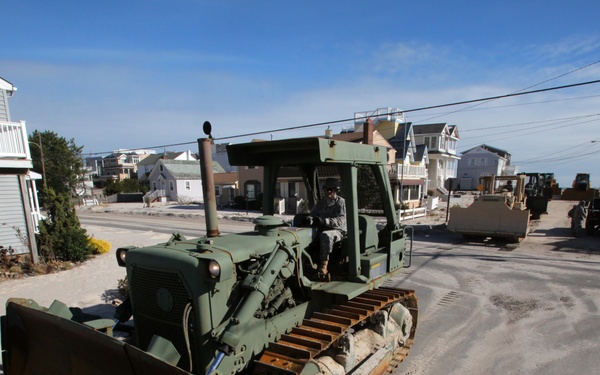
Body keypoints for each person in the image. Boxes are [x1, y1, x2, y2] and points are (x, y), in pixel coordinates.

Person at [310, 178, 346, 279]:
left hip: (339, 230)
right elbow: (313, 214)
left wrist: (324, 221)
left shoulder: (341, 203)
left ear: (336, 190)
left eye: (331, 189)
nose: (329, 192)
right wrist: (308, 219)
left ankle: (323, 266)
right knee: (307, 234)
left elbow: (341, 221)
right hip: (322, 228)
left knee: (326, 235)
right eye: (327, 189)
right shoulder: (321, 203)